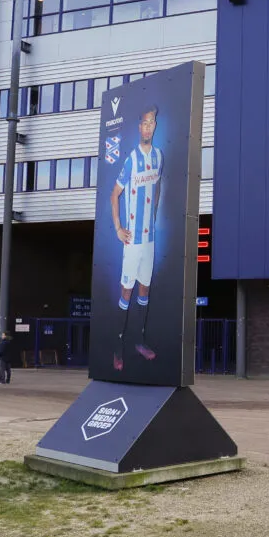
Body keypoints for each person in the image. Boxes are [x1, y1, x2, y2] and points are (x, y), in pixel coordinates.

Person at [109, 105, 163, 372]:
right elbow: (114, 195)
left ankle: (139, 342)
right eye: (143, 123)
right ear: (138, 127)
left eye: (151, 123)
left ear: (155, 126)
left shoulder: (159, 156)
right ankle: (117, 348)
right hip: (132, 241)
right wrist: (119, 228)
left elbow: (158, 186)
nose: (147, 127)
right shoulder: (131, 159)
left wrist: (153, 213)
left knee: (145, 290)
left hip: (150, 239)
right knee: (126, 292)